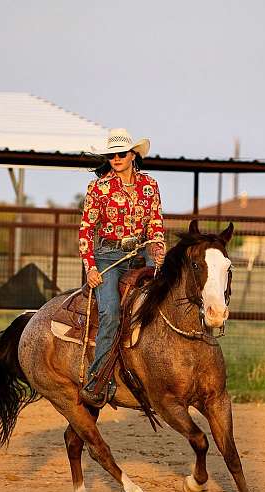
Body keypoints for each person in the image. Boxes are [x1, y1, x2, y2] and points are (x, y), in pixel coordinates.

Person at [78, 128, 166, 407]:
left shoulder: (150, 185)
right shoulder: (98, 188)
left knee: (167, 297)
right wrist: (90, 267)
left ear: (132, 155)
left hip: (142, 253)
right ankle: (98, 380)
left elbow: (155, 224)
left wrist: (159, 252)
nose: (115, 158)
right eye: (111, 154)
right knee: (111, 312)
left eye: (120, 153)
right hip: (108, 257)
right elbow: (86, 230)